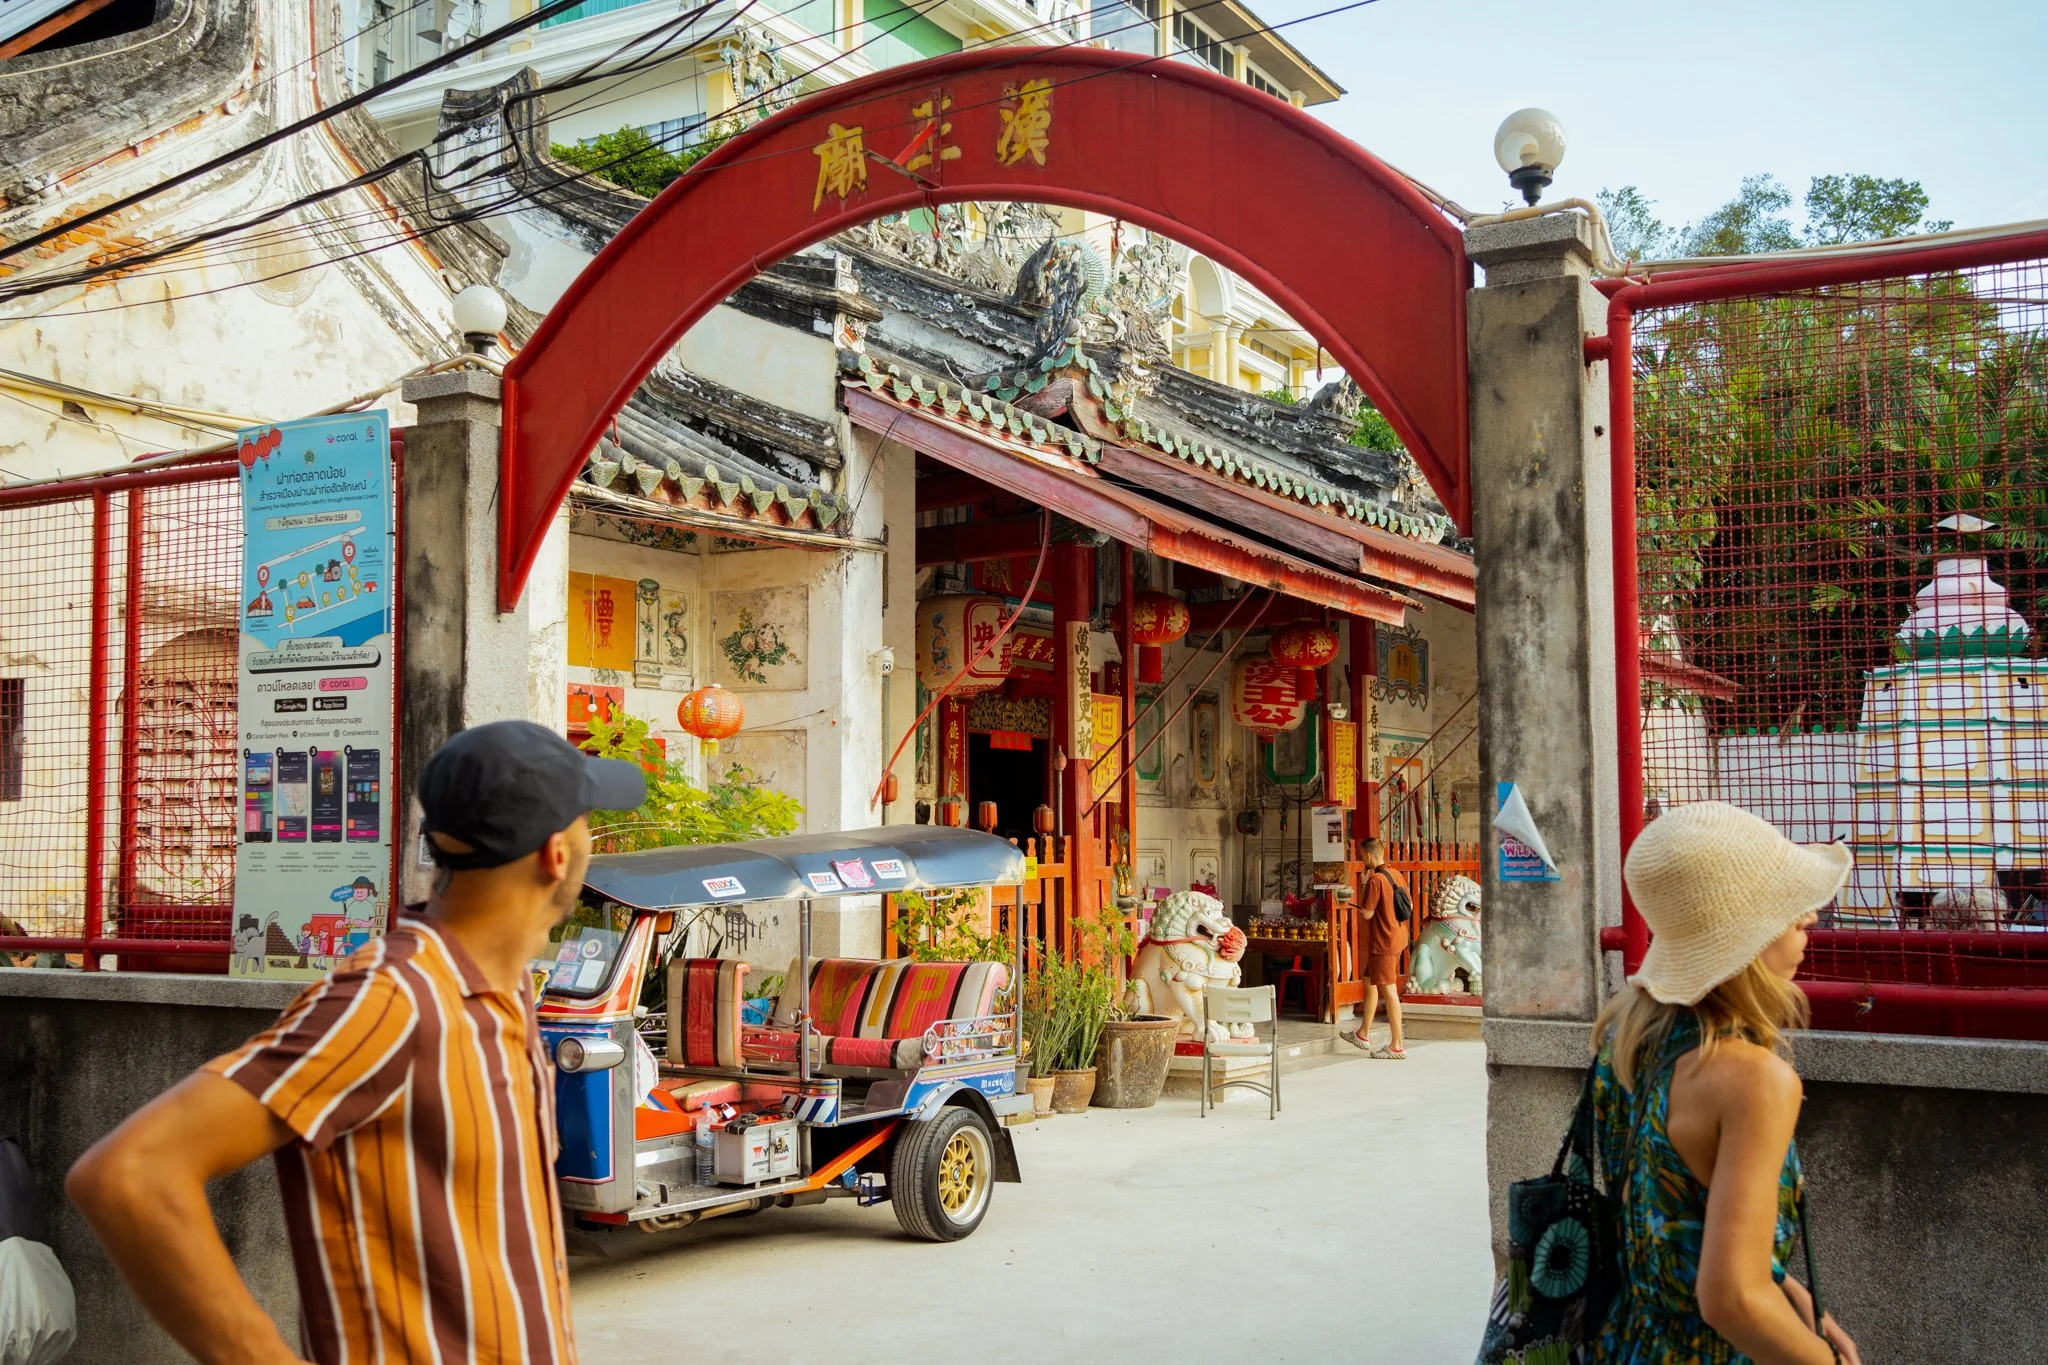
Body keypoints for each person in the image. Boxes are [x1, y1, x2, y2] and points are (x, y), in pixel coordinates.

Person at [67, 721, 645, 1364]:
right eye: (588, 821)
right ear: (555, 854)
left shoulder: (500, 989)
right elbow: (130, 1175)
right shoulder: (397, 1001)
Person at [1590, 801, 1861, 1365]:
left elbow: (1680, 1220)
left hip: (1628, 1343)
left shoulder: (1629, 1036)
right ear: (1749, 933)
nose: (1810, 918)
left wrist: (1796, 1300)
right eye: (1790, 907)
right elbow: (1732, 1299)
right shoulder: (1756, 1080)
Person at [1343, 837, 1408, 1058]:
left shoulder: (1375, 880)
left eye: (1362, 857)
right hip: (1398, 936)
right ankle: (1363, 1033)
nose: (1362, 861)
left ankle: (1396, 1046)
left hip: (1384, 942)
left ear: (1369, 856)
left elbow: (1368, 913)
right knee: (1370, 981)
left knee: (1389, 990)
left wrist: (1362, 886)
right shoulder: (1397, 874)